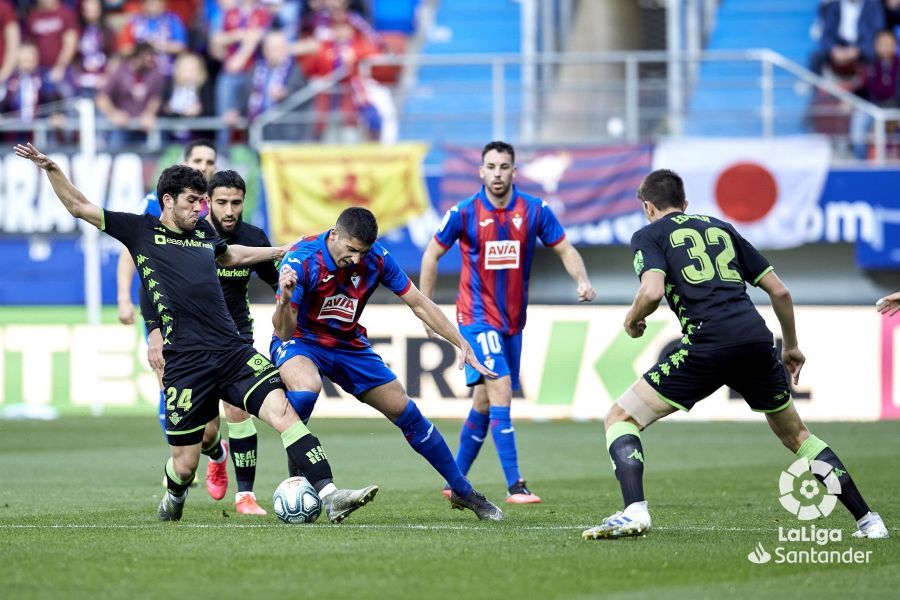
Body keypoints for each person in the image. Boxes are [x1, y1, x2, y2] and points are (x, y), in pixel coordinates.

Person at [16, 142, 378, 523]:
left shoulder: (204, 234)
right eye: (192, 201)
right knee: (187, 462)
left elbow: (230, 255)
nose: (199, 209)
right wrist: (51, 169)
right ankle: (173, 494)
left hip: (232, 350)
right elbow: (79, 206)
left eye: (201, 201)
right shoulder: (140, 230)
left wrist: (280, 250)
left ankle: (331, 494)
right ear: (167, 201)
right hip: (186, 361)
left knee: (283, 410)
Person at [582, 169, 889, 540]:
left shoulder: (649, 234)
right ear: (685, 204)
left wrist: (632, 321)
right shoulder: (721, 228)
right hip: (756, 340)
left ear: (648, 206)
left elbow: (651, 292)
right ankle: (869, 522)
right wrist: (790, 345)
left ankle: (635, 511)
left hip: (707, 343)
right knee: (799, 437)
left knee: (621, 416)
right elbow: (780, 292)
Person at [271, 207, 505, 520]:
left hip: (348, 345)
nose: (356, 259)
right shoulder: (302, 260)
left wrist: (460, 341)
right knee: (307, 387)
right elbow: (283, 330)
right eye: (351, 250)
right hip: (299, 340)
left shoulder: (377, 259)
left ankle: (463, 491)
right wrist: (285, 300)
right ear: (334, 234)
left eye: (362, 252)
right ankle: (304, 482)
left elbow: (419, 303)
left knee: (406, 411)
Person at [419, 141, 596, 504]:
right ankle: (516, 485)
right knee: (500, 386)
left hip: (513, 322)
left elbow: (564, 248)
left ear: (514, 171)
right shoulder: (465, 212)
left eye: (504, 167)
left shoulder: (533, 210)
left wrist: (582, 279)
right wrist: (426, 306)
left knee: (484, 402)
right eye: (491, 166)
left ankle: (456, 482)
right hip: (476, 316)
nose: (497, 173)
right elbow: (431, 254)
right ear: (481, 171)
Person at [139, 169, 278, 515]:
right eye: (221, 203)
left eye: (236, 203)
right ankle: (217, 453)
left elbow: (278, 284)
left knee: (237, 408)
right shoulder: (185, 233)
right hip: (190, 342)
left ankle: (245, 496)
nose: (229, 210)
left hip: (235, 335)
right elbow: (149, 282)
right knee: (204, 435)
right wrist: (154, 329)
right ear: (206, 204)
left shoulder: (253, 237)